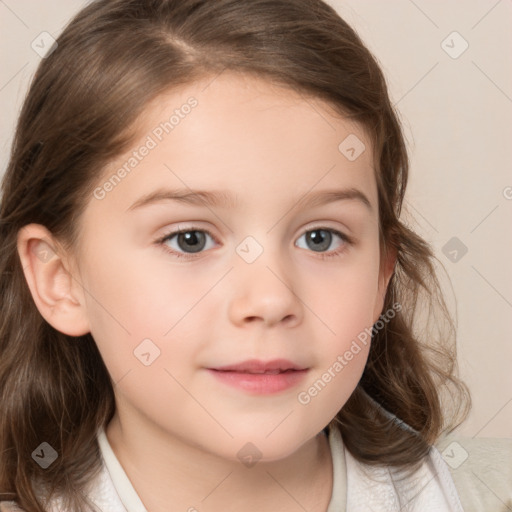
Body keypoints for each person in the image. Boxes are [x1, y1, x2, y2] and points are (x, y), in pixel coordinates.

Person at [0, 0, 472, 510]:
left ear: (382, 273)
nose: (270, 299)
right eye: (190, 239)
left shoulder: (434, 491)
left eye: (321, 237)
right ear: (61, 278)